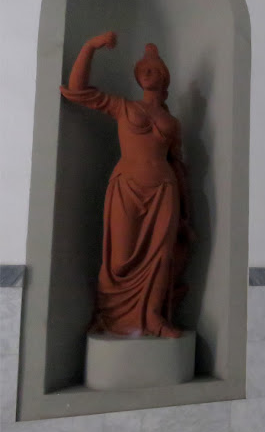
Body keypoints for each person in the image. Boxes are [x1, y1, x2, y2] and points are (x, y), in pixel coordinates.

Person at [60, 31, 192, 338]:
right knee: (118, 260)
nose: (147, 72)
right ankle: (113, 318)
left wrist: (186, 215)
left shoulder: (172, 124)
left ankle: (154, 317)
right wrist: (90, 46)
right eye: (143, 69)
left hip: (163, 192)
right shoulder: (124, 107)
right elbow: (78, 90)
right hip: (126, 189)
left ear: (164, 78)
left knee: (161, 257)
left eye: (154, 69)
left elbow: (179, 168)